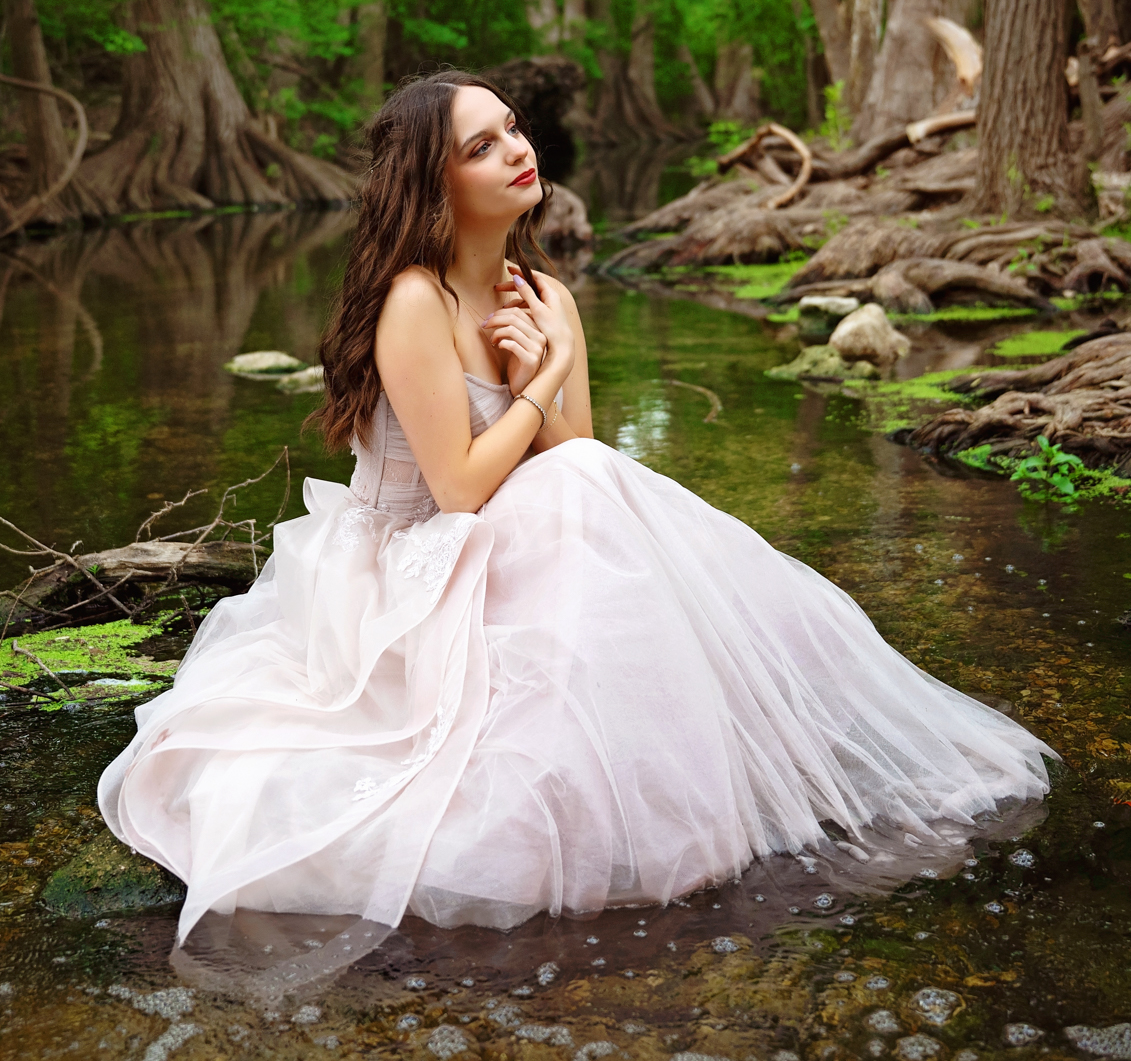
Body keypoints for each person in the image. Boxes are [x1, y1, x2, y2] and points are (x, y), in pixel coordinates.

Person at [98, 71, 1053, 976]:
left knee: (592, 483)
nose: (519, 150)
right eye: (482, 146)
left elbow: (575, 460)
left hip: (497, 544)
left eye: (513, 128)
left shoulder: (547, 296)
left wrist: (539, 370)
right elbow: (457, 489)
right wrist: (542, 379)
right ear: (435, 185)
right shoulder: (414, 300)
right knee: (585, 498)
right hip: (400, 568)